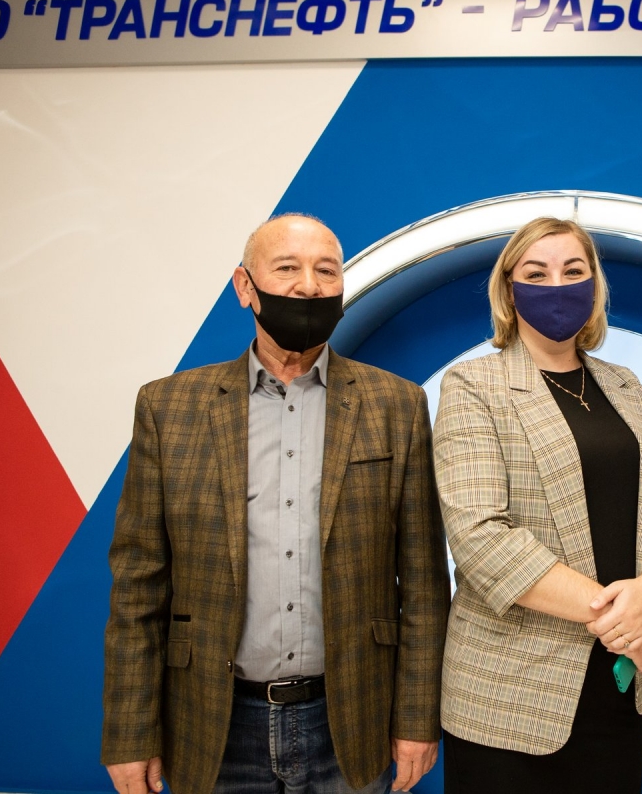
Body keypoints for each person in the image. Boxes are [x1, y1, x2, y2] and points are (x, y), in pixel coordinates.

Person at [101, 214, 450, 794]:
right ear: (245, 287)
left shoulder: (398, 406)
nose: (309, 286)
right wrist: (130, 732)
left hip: (351, 721)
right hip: (213, 726)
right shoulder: (169, 409)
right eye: (287, 268)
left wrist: (416, 718)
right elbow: (138, 586)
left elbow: (422, 582)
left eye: (326, 271)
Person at [432, 217, 642, 793]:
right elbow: (481, 538)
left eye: (573, 271)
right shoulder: (473, 384)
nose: (557, 286)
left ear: (594, 285)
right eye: (536, 273)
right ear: (509, 291)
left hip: (618, 682)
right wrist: (619, 619)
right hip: (508, 698)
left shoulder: (624, 385)